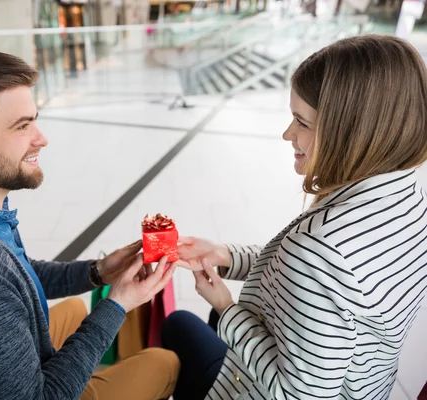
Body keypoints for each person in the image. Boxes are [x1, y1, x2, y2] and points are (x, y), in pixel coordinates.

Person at [0, 46, 179, 400]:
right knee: (163, 363)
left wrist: (97, 273)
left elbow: (16, 275)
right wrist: (116, 304)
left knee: (76, 307)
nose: (41, 138)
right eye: (22, 126)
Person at [162, 34, 427, 400]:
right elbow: (309, 280)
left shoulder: (324, 248)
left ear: (350, 132)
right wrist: (226, 255)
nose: (288, 134)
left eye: (301, 122)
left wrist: (225, 305)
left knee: (179, 324)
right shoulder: (408, 198)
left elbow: (296, 393)